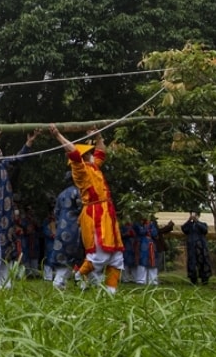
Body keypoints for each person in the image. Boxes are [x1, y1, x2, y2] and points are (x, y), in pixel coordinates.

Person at [49, 124, 124, 294]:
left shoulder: (94, 166)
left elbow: (101, 151)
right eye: (88, 153)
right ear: (83, 157)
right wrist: (58, 135)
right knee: (98, 255)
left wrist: (97, 136)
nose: (91, 155)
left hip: (108, 214)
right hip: (94, 215)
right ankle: (79, 275)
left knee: (117, 257)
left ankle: (111, 293)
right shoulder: (80, 170)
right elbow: (73, 151)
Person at [0, 129, 34, 288]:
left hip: (7, 210)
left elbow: (18, 159)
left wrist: (29, 142)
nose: (1, 151)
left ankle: (3, 281)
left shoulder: (3, 163)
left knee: (7, 245)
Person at [44, 182, 84, 291]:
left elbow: (56, 212)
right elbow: (82, 209)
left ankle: (59, 280)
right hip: (74, 227)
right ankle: (67, 282)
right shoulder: (78, 192)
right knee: (75, 255)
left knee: (61, 255)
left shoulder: (61, 194)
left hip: (61, 226)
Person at [181, 211, 213, 285]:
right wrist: (189, 220)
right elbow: (183, 229)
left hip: (201, 246)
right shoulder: (189, 225)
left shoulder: (202, 224)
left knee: (203, 263)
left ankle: (204, 280)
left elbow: (205, 230)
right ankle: (193, 280)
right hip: (191, 247)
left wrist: (197, 221)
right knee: (192, 263)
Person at [130, 217, 160, 285]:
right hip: (142, 244)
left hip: (151, 244)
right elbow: (141, 231)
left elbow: (154, 233)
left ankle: (152, 280)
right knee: (142, 261)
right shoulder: (137, 223)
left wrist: (150, 226)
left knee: (152, 262)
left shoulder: (152, 224)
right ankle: (140, 280)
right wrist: (148, 226)